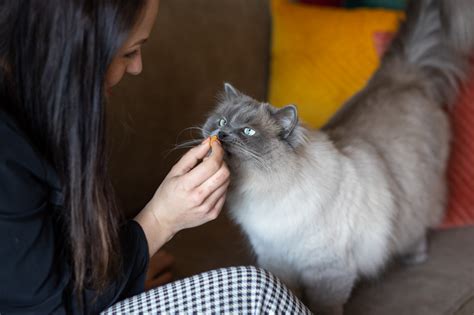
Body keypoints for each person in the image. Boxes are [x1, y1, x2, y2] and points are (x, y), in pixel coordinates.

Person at [0, 0, 311, 314]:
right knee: (254, 292)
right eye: (130, 52)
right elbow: (46, 306)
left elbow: (43, 268)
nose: (137, 67)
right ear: (76, 48)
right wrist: (161, 219)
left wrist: (120, 277)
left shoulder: (38, 111)